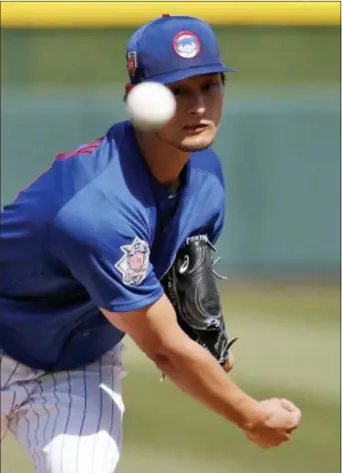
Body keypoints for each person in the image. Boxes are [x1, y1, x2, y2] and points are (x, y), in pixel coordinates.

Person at [0, 14, 301, 473]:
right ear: (134, 100)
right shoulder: (95, 205)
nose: (198, 105)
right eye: (176, 90)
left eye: (210, 85)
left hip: (77, 365)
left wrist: (202, 338)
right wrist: (250, 415)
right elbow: (161, 346)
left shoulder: (204, 176)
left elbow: (177, 280)